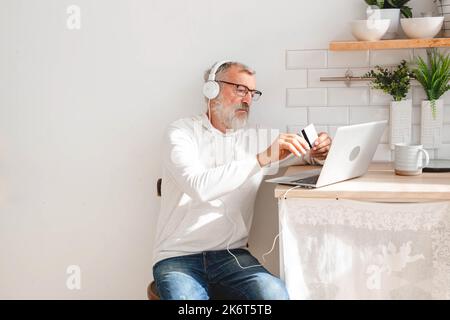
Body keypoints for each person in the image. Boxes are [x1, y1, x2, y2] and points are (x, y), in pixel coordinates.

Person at [152, 61, 332, 300]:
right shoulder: (181, 132)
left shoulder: (257, 137)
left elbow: (298, 156)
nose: (247, 99)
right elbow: (199, 187)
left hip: (231, 256)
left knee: (275, 295)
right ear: (211, 90)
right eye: (240, 89)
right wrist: (264, 157)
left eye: (252, 93)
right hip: (178, 258)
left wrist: (318, 152)